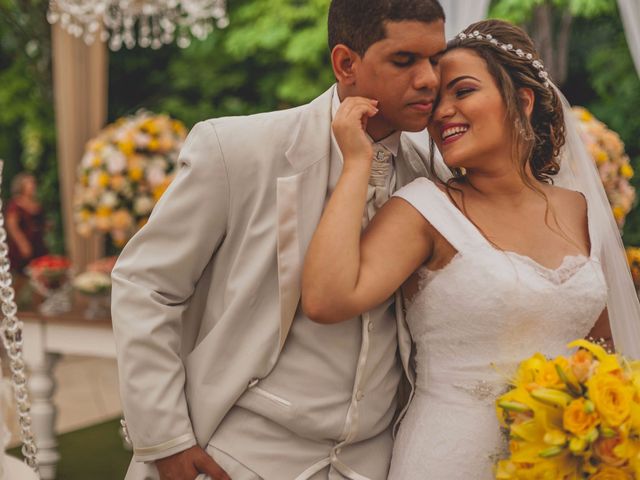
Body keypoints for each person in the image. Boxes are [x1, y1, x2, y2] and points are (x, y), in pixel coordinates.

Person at [111, 1, 447, 479]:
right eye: (405, 60)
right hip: (240, 455)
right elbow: (146, 286)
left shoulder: (435, 176)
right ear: (346, 64)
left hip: (376, 462)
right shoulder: (239, 151)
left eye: (436, 59)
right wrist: (165, 440)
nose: (429, 79)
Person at [302, 19, 640, 478]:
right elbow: (326, 298)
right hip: (450, 458)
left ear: (521, 100)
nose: (442, 112)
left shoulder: (579, 210)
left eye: (462, 91)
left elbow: (604, 354)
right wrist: (357, 162)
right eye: (436, 99)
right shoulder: (424, 209)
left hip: (563, 462)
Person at [6, 172, 47, 273]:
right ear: (21, 186)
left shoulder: (35, 203)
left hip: (38, 243)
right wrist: (23, 244)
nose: (32, 185)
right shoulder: (15, 204)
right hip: (23, 246)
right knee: (23, 274)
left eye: (33, 183)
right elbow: (12, 226)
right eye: (29, 183)